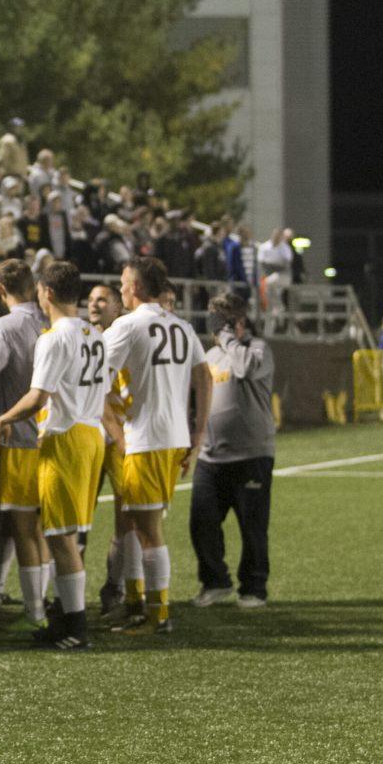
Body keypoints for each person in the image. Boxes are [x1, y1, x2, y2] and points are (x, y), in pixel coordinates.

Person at [0, 259, 108, 650]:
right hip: (90, 434)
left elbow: (38, 396)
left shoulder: (54, 337)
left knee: (60, 537)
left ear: (48, 293)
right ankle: (64, 619)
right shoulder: (94, 332)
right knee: (64, 534)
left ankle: (75, 627)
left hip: (67, 438)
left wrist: (4, 417)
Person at [103, 256, 213, 634]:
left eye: (122, 282)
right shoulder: (182, 326)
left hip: (145, 440)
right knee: (134, 522)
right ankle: (136, 603)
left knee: (147, 529)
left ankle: (157, 615)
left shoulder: (127, 326)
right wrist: (197, 437)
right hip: (173, 438)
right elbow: (205, 378)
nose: (120, 288)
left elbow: (94, 380)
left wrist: (117, 437)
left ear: (135, 287)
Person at [0, 259, 50, 628]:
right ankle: (47, 601)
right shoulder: (55, 319)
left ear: (1, 291)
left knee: (23, 529)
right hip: (57, 439)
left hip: (20, 438)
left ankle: (36, 611)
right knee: (45, 528)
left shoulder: (5, 325)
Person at [190, 293, 275, 609]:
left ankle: (254, 588)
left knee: (252, 528)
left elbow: (244, 370)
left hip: (251, 455)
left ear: (238, 322)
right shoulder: (212, 356)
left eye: (221, 322)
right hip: (212, 457)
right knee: (202, 523)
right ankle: (215, 581)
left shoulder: (258, 349)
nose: (216, 330)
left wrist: (227, 335)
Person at [86, 284, 134, 616]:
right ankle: (66, 597)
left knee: (127, 517)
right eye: (90, 300)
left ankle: (115, 587)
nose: (94, 304)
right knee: (75, 519)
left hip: (119, 437)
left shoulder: (126, 336)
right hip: (87, 437)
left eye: (102, 299)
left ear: (117, 306)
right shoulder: (80, 336)